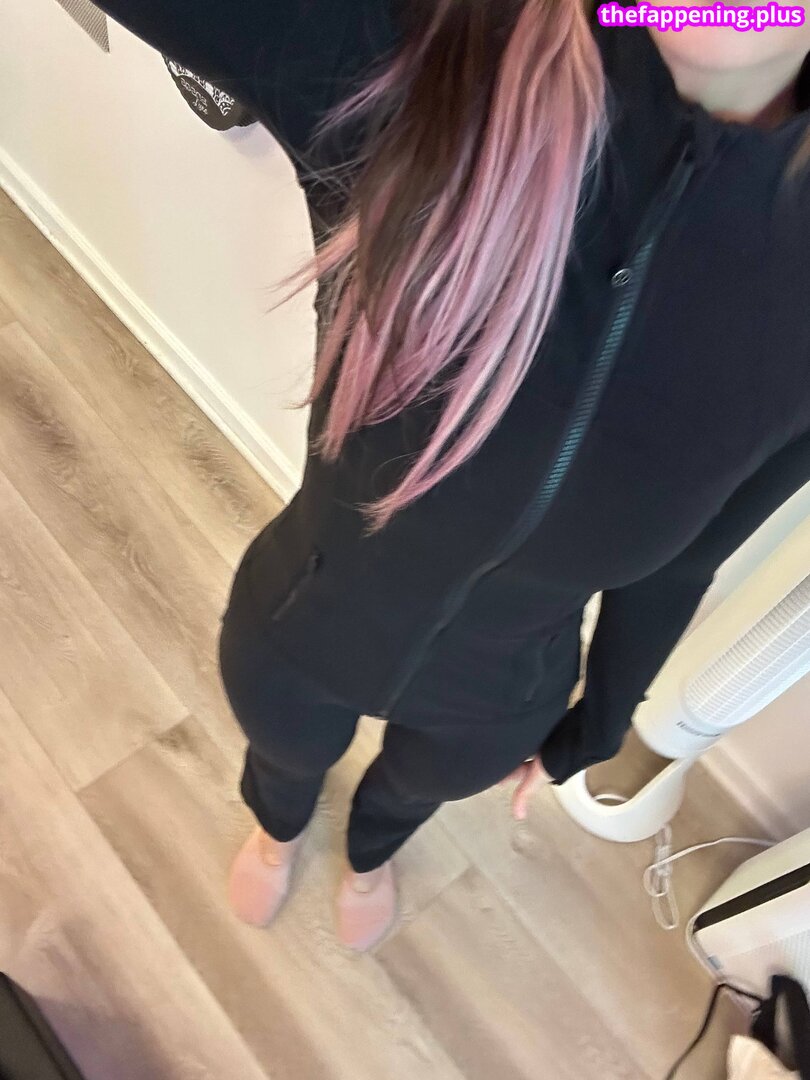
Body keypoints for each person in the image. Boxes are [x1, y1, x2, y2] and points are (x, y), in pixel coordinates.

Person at [94, 0, 810, 951]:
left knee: (411, 795)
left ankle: (369, 857)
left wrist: (598, 724)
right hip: (301, 621)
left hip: (501, 693)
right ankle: (276, 831)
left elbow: (683, 559)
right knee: (283, 756)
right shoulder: (430, 53)